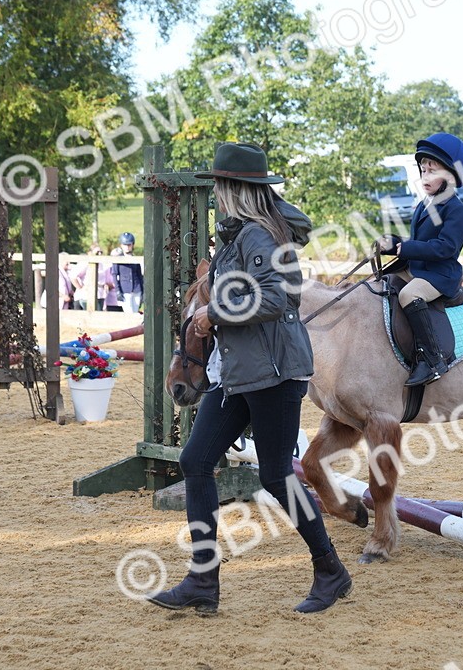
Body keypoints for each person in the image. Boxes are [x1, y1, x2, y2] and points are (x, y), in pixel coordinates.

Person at [147, 142, 350, 616]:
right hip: (239, 371)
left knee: (278, 476)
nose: (215, 193)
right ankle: (202, 579)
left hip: (275, 373)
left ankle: (330, 570)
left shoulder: (260, 237)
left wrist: (216, 312)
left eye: (219, 185)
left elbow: (279, 298)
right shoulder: (237, 236)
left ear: (234, 188)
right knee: (196, 460)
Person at [378, 132, 463, 386]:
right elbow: (416, 240)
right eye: (422, 171)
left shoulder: (457, 210)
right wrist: (393, 243)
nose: (425, 177)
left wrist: (407, 248)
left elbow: (445, 248)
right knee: (382, 284)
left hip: (440, 275)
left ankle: (432, 360)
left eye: (432, 171)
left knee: (410, 295)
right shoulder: (424, 204)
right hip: (418, 269)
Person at [113, 232, 144, 315]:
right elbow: (115, 275)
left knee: (135, 312)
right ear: (121, 245)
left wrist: (143, 291)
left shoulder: (135, 258)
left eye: (129, 245)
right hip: (125, 290)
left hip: (137, 289)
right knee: (129, 313)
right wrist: (118, 291)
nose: (127, 247)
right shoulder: (117, 259)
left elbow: (139, 275)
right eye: (125, 245)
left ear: (132, 245)